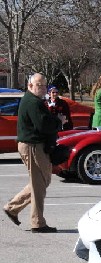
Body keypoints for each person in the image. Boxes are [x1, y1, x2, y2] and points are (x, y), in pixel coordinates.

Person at [3, 73, 62, 233]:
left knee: (41, 182)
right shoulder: (33, 102)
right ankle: (37, 222)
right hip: (33, 146)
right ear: (30, 86)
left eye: (44, 85)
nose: (42, 88)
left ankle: (12, 208)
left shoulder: (34, 100)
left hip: (33, 146)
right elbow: (44, 126)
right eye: (38, 85)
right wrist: (58, 121)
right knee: (40, 184)